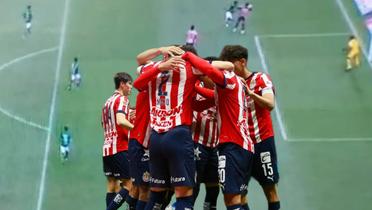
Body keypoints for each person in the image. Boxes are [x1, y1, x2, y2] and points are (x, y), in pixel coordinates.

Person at [182, 52, 254, 210]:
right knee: (234, 198)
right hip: (239, 146)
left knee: (232, 198)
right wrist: (191, 86)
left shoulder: (227, 79)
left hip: (233, 145)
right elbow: (199, 104)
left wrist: (187, 55)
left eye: (203, 77)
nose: (202, 80)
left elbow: (211, 71)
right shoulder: (229, 87)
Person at [220, 45, 280, 210]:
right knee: (240, 193)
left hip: (262, 141)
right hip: (241, 146)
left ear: (242, 62)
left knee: (270, 188)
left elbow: (270, 104)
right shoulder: (230, 83)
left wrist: (251, 94)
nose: (229, 69)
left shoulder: (261, 79)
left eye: (231, 65)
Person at [101, 72, 134, 210]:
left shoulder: (107, 102)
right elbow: (120, 120)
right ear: (122, 84)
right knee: (129, 185)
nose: (131, 87)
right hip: (119, 147)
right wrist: (135, 128)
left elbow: (104, 124)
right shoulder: (122, 99)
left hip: (106, 148)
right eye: (129, 84)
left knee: (112, 185)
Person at [191, 77, 219, 210]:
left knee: (214, 187)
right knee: (193, 186)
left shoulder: (220, 89)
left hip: (215, 146)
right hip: (197, 144)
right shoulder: (194, 87)